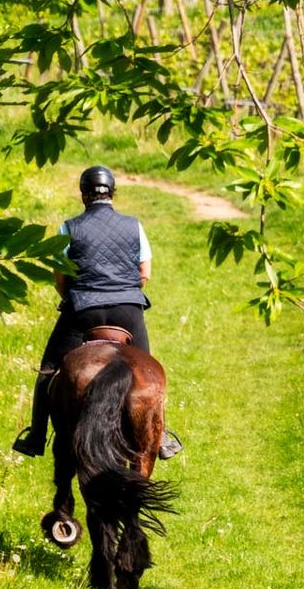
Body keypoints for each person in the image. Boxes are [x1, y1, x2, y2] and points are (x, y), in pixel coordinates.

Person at [13, 165, 180, 458]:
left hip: (83, 310)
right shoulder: (134, 225)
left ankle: (36, 436)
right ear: (112, 193)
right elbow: (145, 272)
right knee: (149, 371)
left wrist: (75, 298)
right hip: (128, 310)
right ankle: (162, 436)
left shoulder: (69, 228)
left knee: (48, 368)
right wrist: (124, 291)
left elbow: (60, 278)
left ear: (83, 195)